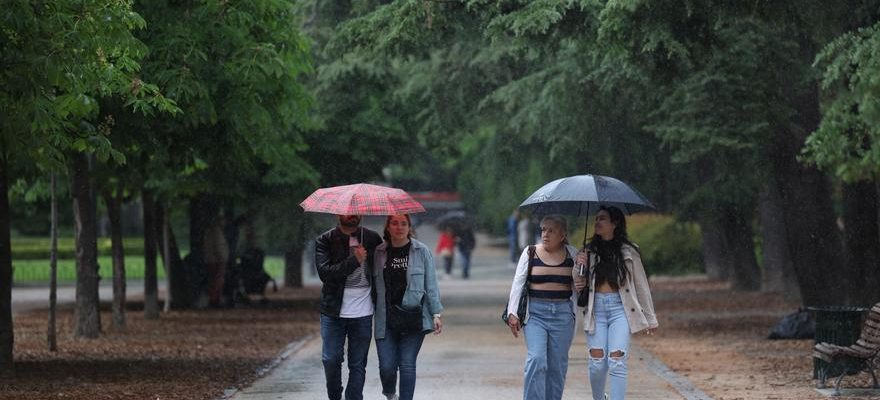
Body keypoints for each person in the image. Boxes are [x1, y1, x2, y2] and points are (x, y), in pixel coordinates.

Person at [574, 206, 658, 400]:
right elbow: (578, 286)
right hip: (596, 310)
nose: (597, 222)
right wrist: (580, 265)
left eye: (602, 219)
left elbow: (641, 285)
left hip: (621, 310)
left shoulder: (629, 251)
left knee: (617, 361)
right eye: (596, 219)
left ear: (615, 223)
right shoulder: (588, 251)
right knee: (597, 363)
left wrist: (650, 317)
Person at [506, 215, 579, 400]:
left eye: (551, 230)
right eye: (543, 230)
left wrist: (583, 267)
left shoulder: (574, 254)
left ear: (563, 235)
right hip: (535, 315)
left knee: (557, 365)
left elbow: (581, 288)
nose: (545, 234)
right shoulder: (531, 252)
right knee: (537, 359)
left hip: (563, 315)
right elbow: (518, 282)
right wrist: (512, 313)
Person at [373, 214, 444, 400]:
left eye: (403, 223)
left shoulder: (421, 251)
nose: (399, 227)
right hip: (386, 318)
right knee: (387, 367)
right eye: (394, 223)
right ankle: (389, 393)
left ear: (409, 227)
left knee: (407, 365)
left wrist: (436, 313)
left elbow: (431, 285)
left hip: (413, 317)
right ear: (388, 227)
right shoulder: (379, 252)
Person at [315, 215, 383, 400]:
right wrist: (354, 260)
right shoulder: (325, 240)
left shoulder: (372, 238)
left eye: (355, 211)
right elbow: (325, 274)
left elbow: (382, 270)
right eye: (347, 211)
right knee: (331, 359)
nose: (351, 214)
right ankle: (335, 396)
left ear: (360, 214)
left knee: (358, 363)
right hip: (333, 311)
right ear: (338, 214)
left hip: (363, 312)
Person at [203, 214, 229, 307]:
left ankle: (214, 299)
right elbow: (219, 247)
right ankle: (214, 300)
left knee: (213, 280)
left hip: (210, 259)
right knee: (218, 281)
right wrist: (223, 258)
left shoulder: (208, 232)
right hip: (217, 260)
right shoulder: (217, 232)